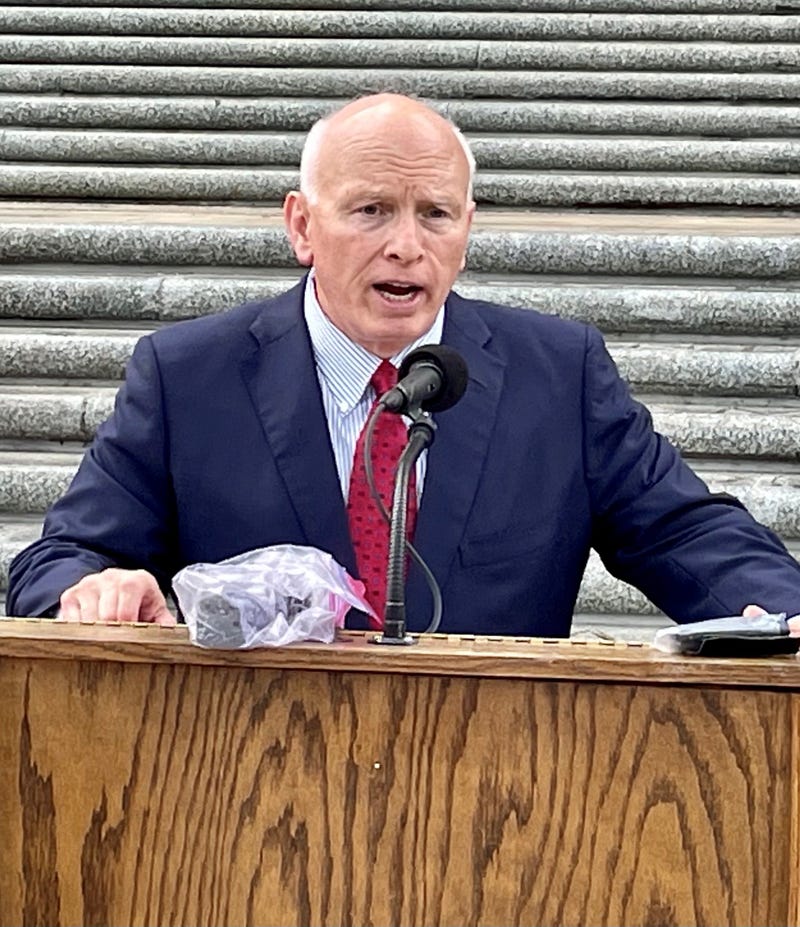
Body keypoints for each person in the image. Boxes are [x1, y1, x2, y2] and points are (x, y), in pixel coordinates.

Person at [6, 93, 800, 636]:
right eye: (371, 210)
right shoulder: (188, 377)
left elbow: (687, 532)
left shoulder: (560, 374)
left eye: (435, 214)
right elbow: (60, 557)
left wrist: (785, 607)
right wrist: (92, 588)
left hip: (501, 805)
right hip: (248, 804)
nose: (406, 245)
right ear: (301, 225)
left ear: (467, 227)